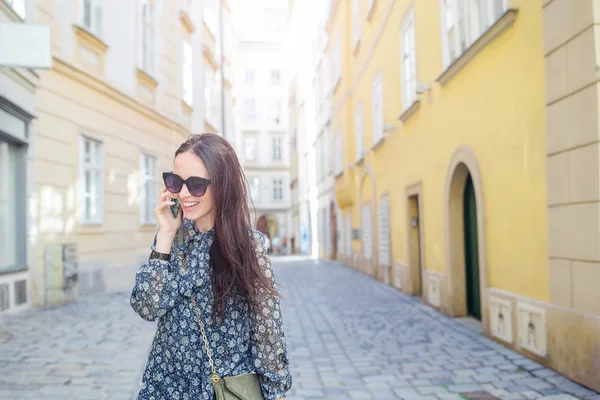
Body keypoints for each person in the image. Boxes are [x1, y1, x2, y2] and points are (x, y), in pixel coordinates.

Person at [130, 133, 292, 400]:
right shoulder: (173, 241)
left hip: (221, 391)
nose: (183, 193)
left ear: (223, 185)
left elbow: (268, 335)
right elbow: (147, 306)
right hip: (165, 387)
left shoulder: (249, 247)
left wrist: (276, 392)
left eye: (195, 184)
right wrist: (166, 235)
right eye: (175, 182)